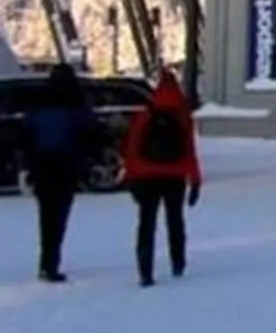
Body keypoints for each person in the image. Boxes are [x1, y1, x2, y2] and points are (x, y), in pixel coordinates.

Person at [121, 68, 202, 288]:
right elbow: (189, 151)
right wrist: (195, 180)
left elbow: (133, 148)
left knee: (146, 223)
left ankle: (145, 270)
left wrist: (131, 176)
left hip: (147, 175)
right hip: (174, 175)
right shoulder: (182, 116)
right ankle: (178, 262)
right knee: (175, 220)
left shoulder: (146, 114)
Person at [23, 62, 102, 284]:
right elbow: (90, 132)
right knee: (59, 214)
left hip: (42, 165)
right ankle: (52, 261)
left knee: (45, 215)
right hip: (66, 164)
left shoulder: (39, 101)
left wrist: (28, 163)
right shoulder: (76, 102)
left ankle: (46, 260)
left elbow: (26, 134)